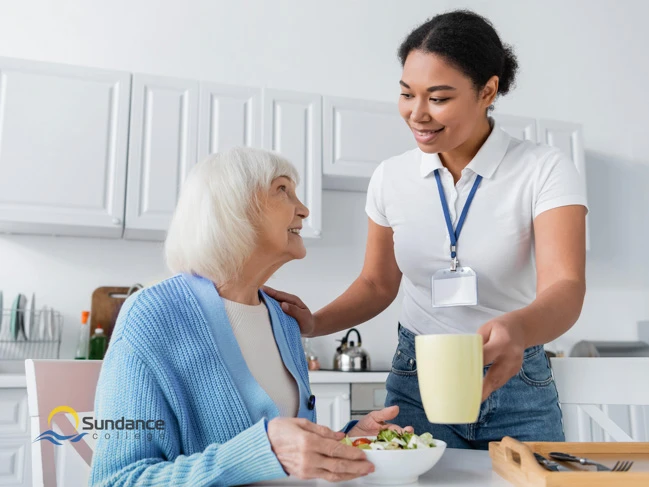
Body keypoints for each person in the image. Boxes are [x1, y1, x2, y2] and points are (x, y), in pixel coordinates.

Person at [264, 10, 588, 450]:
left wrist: (520, 328)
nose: (417, 114)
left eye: (438, 98)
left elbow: (565, 286)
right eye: (406, 94)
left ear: (487, 90)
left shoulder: (544, 168)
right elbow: (377, 284)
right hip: (417, 383)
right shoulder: (390, 177)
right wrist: (316, 322)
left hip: (516, 381)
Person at [90, 147, 412, 486]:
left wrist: (350, 440)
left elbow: (282, 457)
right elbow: (117, 480)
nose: (303, 209)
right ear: (234, 208)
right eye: (282, 190)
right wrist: (260, 453)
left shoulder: (284, 321)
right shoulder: (152, 315)